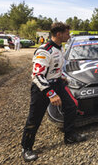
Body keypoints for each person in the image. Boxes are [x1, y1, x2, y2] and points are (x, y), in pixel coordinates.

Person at [21, 22, 87, 162]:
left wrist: (62, 78)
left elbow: (54, 69)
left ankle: (69, 136)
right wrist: (51, 94)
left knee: (71, 106)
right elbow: (37, 76)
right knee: (34, 118)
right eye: (67, 33)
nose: (69, 36)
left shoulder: (60, 48)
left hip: (57, 83)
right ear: (59, 34)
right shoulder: (45, 50)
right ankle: (26, 148)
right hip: (41, 88)